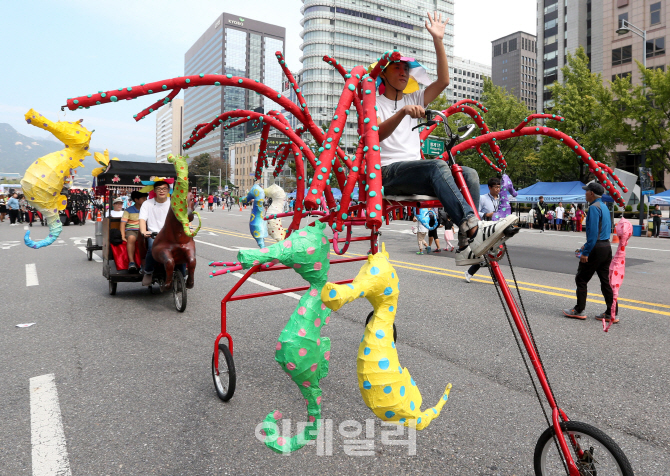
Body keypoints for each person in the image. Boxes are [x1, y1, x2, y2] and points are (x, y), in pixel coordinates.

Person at [376, 12, 517, 267]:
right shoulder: (373, 103)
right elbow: (374, 135)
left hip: (414, 173)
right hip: (387, 173)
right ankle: (474, 228)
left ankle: (466, 243)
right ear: (383, 73)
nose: (403, 72)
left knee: (469, 173)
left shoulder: (413, 98)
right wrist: (401, 114)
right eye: (397, 67)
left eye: (406, 68)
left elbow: (443, 81)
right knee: (437, 165)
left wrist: (438, 40)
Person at [563, 182, 618, 321]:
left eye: (587, 191)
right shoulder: (604, 206)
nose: (585, 193)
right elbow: (602, 230)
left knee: (581, 278)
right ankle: (612, 312)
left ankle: (579, 310)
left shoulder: (594, 208)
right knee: (605, 280)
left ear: (592, 193)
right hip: (606, 246)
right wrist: (586, 245)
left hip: (596, 248)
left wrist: (586, 252)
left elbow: (593, 233)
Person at [139, 181, 176, 286]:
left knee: (181, 249)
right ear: (154, 190)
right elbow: (142, 219)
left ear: (168, 190)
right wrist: (143, 231)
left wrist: (189, 228)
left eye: (164, 188)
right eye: (159, 188)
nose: (161, 191)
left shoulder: (173, 202)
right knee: (151, 248)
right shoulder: (147, 203)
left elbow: (183, 217)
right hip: (154, 234)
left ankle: (182, 274)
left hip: (171, 234)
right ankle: (148, 272)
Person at [464, 177, 500, 282]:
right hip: (485, 228)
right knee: (489, 254)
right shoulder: (483, 198)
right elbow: (474, 211)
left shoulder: (501, 200)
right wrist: (486, 214)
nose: (498, 189)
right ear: (489, 187)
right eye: (496, 187)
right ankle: (496, 278)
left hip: (497, 228)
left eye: (499, 187)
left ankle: (470, 272)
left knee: (490, 254)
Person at [121, 191, 148, 273]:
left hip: (144, 230)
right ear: (136, 199)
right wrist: (122, 235)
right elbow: (123, 224)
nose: (145, 200)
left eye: (146, 198)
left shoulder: (148, 209)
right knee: (131, 238)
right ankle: (131, 262)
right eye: (143, 198)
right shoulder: (128, 210)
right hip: (131, 230)